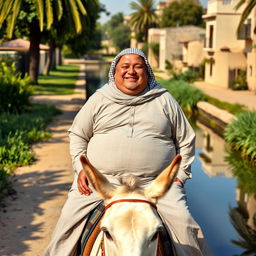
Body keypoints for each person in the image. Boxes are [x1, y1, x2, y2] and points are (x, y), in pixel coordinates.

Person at [45, 48, 204, 256]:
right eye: (125, 66)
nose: (131, 71)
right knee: (65, 227)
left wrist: (180, 176)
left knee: (185, 227)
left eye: (138, 66)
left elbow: (187, 140)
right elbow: (78, 135)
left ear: (147, 72)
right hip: (103, 183)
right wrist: (79, 167)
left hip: (154, 185)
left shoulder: (164, 100)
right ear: (115, 71)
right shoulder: (100, 99)